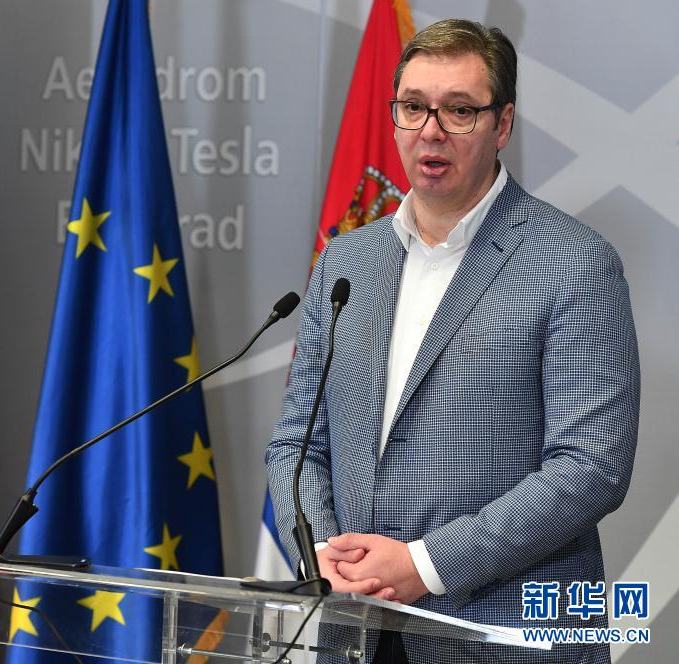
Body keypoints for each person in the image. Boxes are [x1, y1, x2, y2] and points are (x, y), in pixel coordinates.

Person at [266, 18, 640, 664]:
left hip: (502, 636)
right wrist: (323, 551)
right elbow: (296, 444)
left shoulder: (574, 263)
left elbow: (590, 468)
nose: (430, 130)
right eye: (413, 107)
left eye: (459, 111)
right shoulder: (345, 261)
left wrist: (425, 564)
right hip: (356, 632)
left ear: (502, 124)